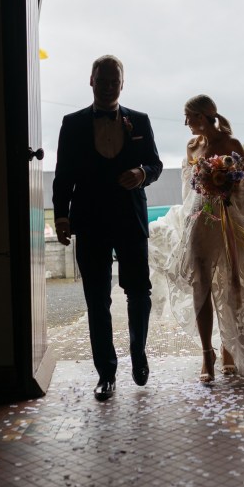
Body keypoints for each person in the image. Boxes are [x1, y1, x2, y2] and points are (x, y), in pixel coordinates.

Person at [53, 55, 163, 401]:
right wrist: (61, 217)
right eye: (102, 80)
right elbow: (63, 176)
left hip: (130, 219)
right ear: (91, 80)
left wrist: (142, 174)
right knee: (96, 299)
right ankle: (106, 373)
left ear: (121, 84)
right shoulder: (72, 124)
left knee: (139, 292)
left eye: (114, 81)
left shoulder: (140, 121)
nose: (107, 86)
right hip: (90, 221)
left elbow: (156, 164)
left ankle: (138, 352)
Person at [149, 94, 244, 383]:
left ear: (201, 116)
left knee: (231, 283)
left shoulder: (232, 144)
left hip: (229, 219)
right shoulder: (192, 147)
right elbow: (191, 191)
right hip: (201, 219)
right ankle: (206, 353)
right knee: (202, 285)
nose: (185, 123)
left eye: (188, 117)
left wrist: (228, 189)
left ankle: (228, 347)